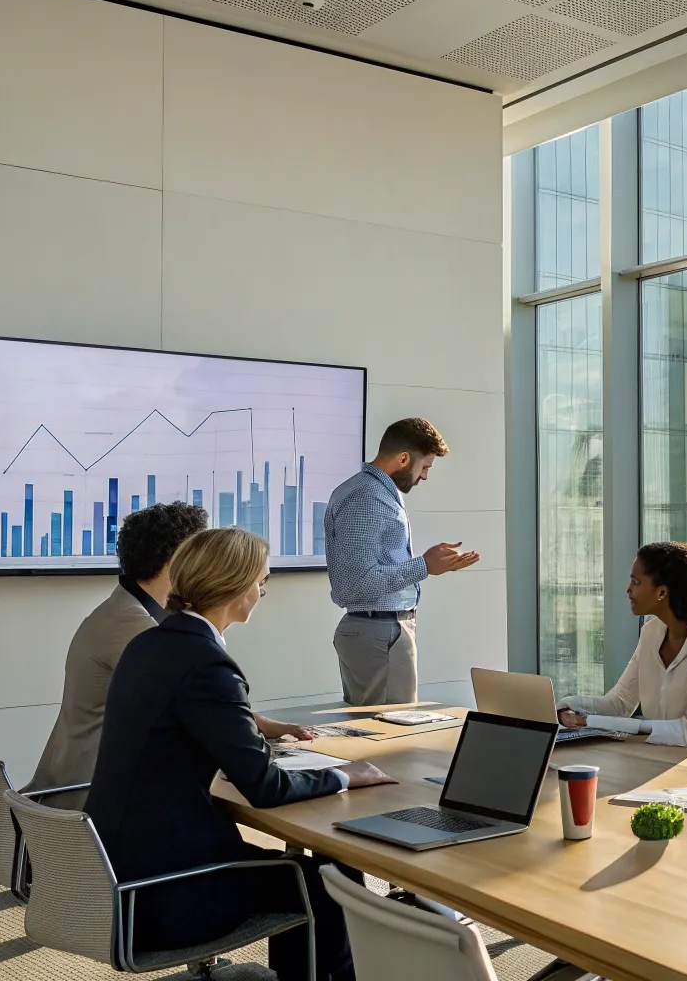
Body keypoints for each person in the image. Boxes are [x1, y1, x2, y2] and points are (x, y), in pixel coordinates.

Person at [88, 527, 396, 981]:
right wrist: (346, 775)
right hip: (164, 893)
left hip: (115, 868)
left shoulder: (149, 644)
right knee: (324, 880)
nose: (263, 590)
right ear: (232, 587)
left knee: (306, 871)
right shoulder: (206, 662)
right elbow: (264, 787)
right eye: (260, 581)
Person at [26, 502, 312, 808]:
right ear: (180, 559)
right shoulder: (137, 628)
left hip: (83, 784)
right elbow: (204, 704)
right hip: (90, 791)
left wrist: (260, 726)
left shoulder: (124, 612)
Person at [324, 417, 479, 705]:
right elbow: (358, 583)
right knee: (392, 739)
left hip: (378, 633)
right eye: (425, 467)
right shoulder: (367, 497)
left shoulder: (369, 491)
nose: (425, 477)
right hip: (381, 634)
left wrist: (430, 564)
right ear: (404, 458)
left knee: (378, 736)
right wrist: (425, 566)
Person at [558, 541, 687, 757]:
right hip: (670, 760)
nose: (628, 589)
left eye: (636, 582)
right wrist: (567, 707)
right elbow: (619, 704)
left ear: (662, 592)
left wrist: (604, 723)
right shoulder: (650, 633)